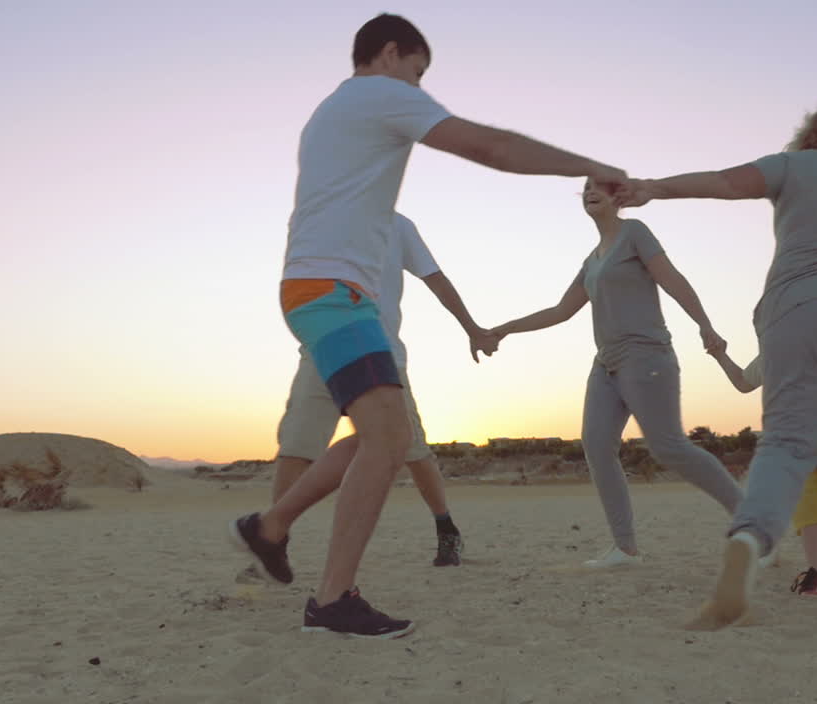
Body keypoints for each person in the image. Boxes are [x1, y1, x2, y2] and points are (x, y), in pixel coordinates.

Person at [229, 13, 627, 639]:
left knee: (377, 438)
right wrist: (592, 164)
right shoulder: (376, 94)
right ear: (390, 54)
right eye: (417, 74)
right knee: (388, 444)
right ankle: (331, 600)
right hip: (333, 293)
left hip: (325, 291)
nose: (417, 90)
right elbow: (491, 147)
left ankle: (270, 526)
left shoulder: (330, 111)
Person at [620, 93, 817, 627]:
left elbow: (725, 182)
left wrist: (655, 188)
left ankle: (751, 535)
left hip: (796, 309)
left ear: (814, 132)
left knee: (788, 443)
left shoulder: (792, 165)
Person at [489, 180, 742, 567]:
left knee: (669, 446)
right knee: (596, 444)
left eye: (600, 188)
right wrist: (505, 328)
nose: (591, 192)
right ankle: (625, 548)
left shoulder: (634, 233)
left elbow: (671, 278)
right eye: (586, 188)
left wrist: (704, 324)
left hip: (646, 355)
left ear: (617, 198)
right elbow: (560, 311)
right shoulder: (592, 260)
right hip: (605, 363)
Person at [253, 212, 482, 574]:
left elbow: (435, 278)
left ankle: (445, 527)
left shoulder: (398, 225)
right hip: (324, 345)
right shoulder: (314, 215)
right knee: (297, 445)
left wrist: (472, 327)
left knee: (414, 451)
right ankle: (272, 542)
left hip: (381, 349)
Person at [710, 350, 817, 598]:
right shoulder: (766, 357)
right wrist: (720, 356)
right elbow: (741, 382)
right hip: (790, 441)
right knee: (809, 507)